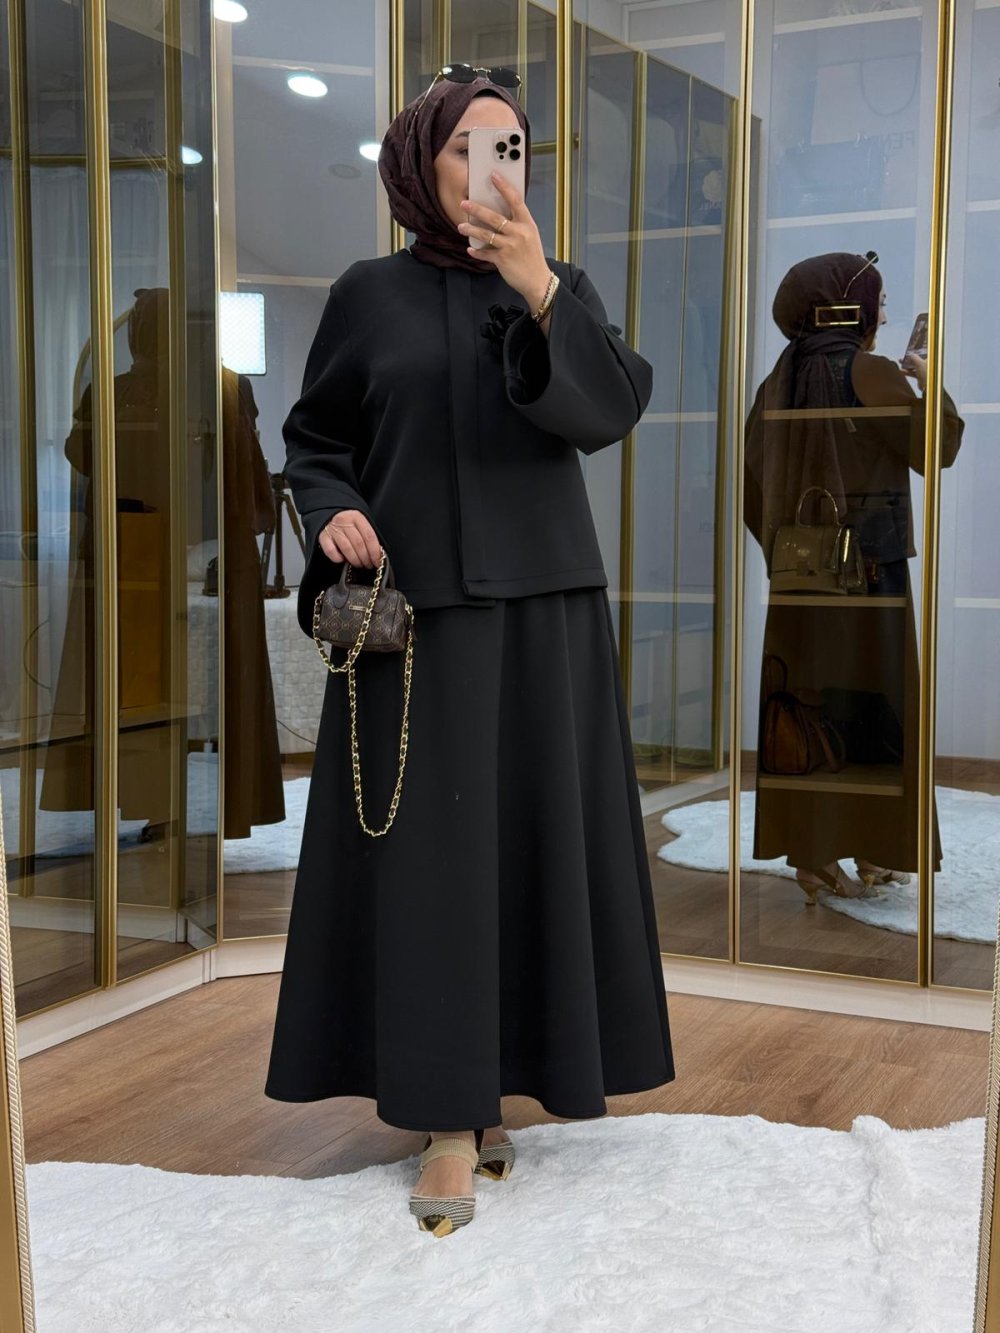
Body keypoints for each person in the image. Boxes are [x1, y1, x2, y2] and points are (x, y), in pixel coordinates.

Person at [263, 68, 676, 1235]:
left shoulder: (558, 287)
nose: (496, 169)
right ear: (419, 163)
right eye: (469, 148)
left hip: (546, 618)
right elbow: (316, 440)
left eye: (513, 148)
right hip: (418, 621)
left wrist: (538, 286)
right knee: (435, 870)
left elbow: (608, 412)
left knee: (530, 851)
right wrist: (333, 511)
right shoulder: (368, 294)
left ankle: (503, 1093)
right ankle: (449, 1120)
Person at [744, 252, 963, 903]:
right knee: (875, 711)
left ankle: (815, 856)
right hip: (870, 580)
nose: (884, 316)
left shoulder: (778, 379)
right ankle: (874, 845)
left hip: (800, 582)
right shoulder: (868, 372)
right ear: (847, 308)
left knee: (808, 713)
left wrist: (793, 554)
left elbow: (754, 487)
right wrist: (930, 379)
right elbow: (938, 448)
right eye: (879, 301)